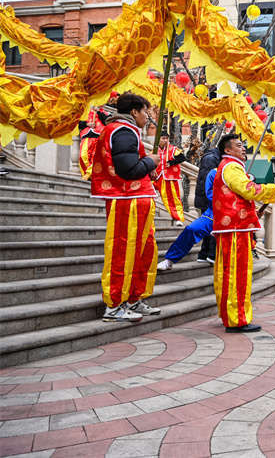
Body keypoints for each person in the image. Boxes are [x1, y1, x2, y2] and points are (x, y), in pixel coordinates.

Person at [90, 93, 161, 322]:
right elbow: (128, 170)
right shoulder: (122, 131)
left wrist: (147, 166)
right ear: (134, 112)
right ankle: (114, 305)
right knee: (122, 251)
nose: (147, 117)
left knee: (143, 251)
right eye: (145, 112)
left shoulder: (125, 131)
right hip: (126, 201)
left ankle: (133, 299)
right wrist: (150, 161)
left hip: (136, 199)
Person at [211, 134, 275, 332]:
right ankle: (237, 319)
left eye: (243, 145)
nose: (243, 148)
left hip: (232, 227)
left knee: (228, 272)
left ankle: (229, 314)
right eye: (239, 145)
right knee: (238, 274)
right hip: (235, 229)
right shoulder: (231, 166)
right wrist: (274, 189)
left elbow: (239, 195)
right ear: (227, 150)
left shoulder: (228, 166)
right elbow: (248, 189)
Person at [157, 168, 217, 271]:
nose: (244, 150)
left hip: (235, 214)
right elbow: (210, 194)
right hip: (214, 212)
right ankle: (169, 260)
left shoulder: (241, 173)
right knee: (192, 229)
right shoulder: (215, 172)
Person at [195, 144, 222, 263]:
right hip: (209, 200)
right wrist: (213, 200)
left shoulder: (214, 157)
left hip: (207, 199)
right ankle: (211, 255)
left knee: (208, 227)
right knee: (212, 227)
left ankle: (204, 254)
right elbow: (209, 182)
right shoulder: (211, 158)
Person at [154, 131, 186, 226]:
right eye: (163, 138)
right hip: (155, 177)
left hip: (169, 177)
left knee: (173, 198)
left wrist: (172, 162)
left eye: (167, 138)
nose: (165, 140)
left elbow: (182, 158)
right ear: (158, 139)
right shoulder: (154, 150)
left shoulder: (173, 149)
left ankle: (177, 218)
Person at [77, 105, 108, 180]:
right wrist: (87, 124)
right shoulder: (86, 113)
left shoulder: (107, 113)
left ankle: (90, 173)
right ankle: (86, 173)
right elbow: (78, 124)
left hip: (98, 137)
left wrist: (98, 112)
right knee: (83, 156)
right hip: (86, 137)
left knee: (95, 157)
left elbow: (107, 121)